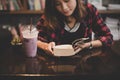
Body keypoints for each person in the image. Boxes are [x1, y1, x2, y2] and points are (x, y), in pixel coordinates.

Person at [36, 0, 113, 54]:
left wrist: (88, 45)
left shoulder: (89, 10)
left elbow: (108, 37)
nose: (64, 8)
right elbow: (33, 40)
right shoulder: (50, 15)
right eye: (57, 4)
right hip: (57, 64)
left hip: (84, 64)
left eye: (67, 0)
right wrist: (45, 46)